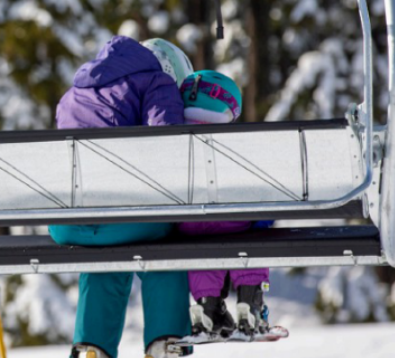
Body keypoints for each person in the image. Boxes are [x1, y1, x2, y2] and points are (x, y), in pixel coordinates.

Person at [48, 36, 195, 358]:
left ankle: (92, 348)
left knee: (106, 256)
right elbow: (167, 145)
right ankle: (165, 343)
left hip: (67, 223)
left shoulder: (75, 91)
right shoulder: (157, 81)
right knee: (166, 246)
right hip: (124, 218)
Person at [175, 70, 271, 340]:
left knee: (200, 241)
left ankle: (208, 306)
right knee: (254, 236)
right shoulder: (237, 144)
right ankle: (250, 303)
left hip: (188, 225)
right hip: (238, 224)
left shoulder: (174, 143)